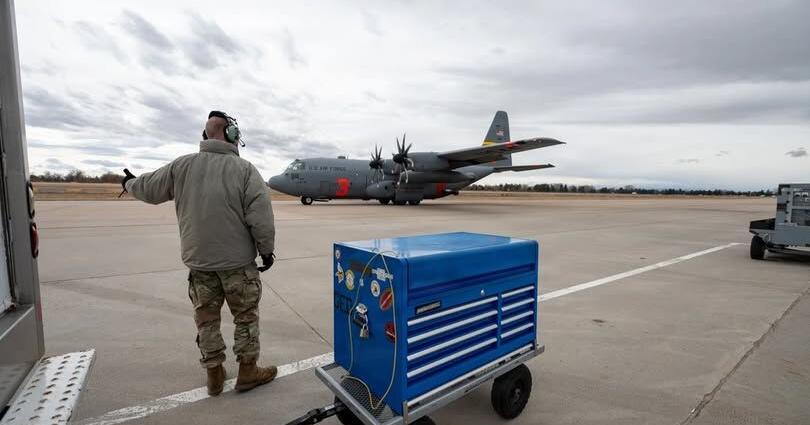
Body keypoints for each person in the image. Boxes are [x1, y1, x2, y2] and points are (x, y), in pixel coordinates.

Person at [122, 111, 277, 396]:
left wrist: (129, 184)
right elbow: (261, 217)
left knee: (206, 320)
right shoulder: (245, 171)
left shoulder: (182, 166)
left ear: (206, 135)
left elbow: (148, 188)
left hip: (200, 264)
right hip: (238, 265)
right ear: (231, 135)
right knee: (245, 317)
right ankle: (247, 372)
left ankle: (214, 375)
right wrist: (266, 251)